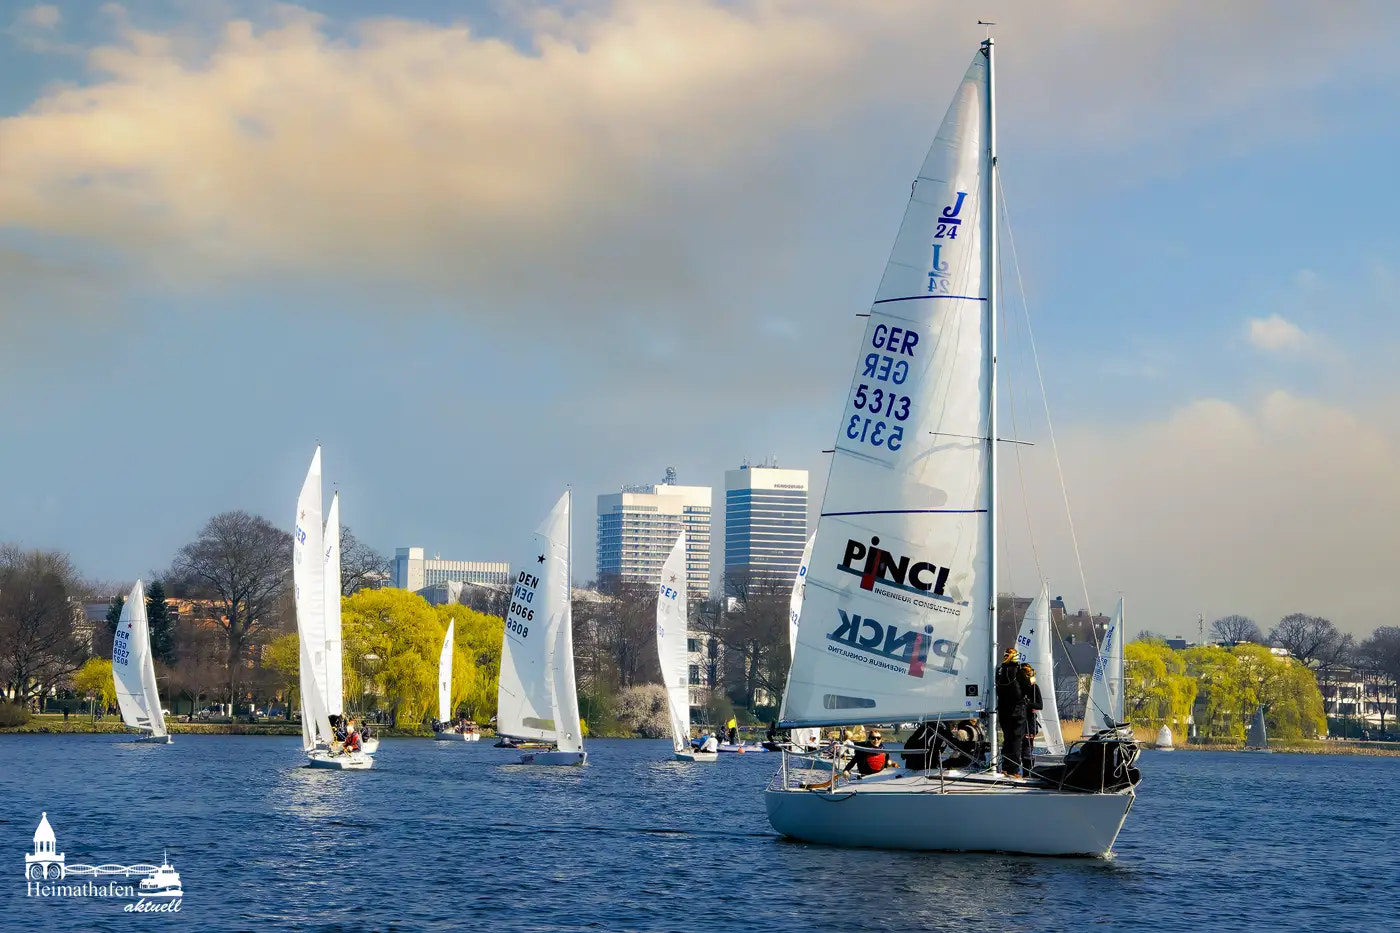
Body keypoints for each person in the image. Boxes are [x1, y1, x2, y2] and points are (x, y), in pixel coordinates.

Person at [995, 648, 1029, 776]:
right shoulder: (1018, 672)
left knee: (1007, 739)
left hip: (1003, 711)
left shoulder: (999, 671)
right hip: (1017, 711)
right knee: (1016, 740)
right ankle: (1013, 769)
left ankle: (1005, 766)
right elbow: (1027, 689)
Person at [1021, 663, 1043, 774]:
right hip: (1018, 721)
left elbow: (1040, 705)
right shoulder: (1017, 687)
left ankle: (1027, 773)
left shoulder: (1034, 687)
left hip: (1029, 722)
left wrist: (1027, 704)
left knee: (1027, 749)